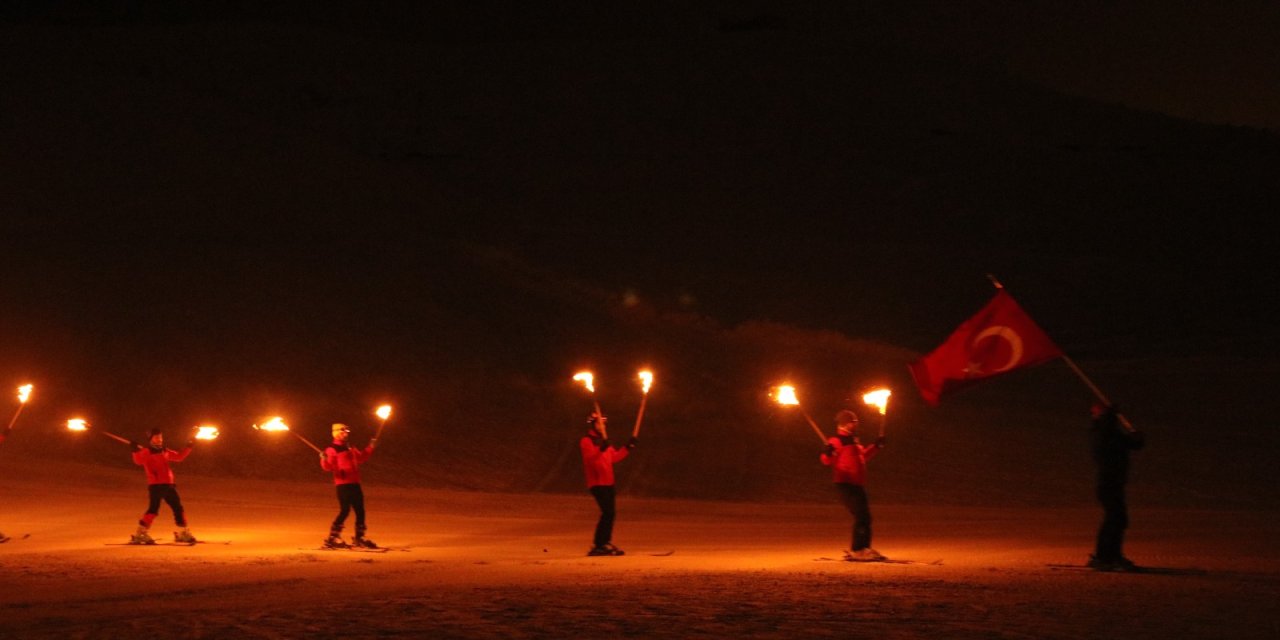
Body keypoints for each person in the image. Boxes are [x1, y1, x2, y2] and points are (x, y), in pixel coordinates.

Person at [821, 410, 885, 561]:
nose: (856, 424)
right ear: (845, 424)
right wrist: (827, 453)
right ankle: (857, 550)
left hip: (857, 484)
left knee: (866, 517)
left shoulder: (853, 440)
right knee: (861, 516)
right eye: (853, 422)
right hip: (845, 484)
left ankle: (864, 548)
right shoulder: (837, 440)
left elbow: (863, 457)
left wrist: (876, 446)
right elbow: (826, 460)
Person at [1087, 402, 1145, 571]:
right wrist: (1111, 415)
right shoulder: (1101, 434)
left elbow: (1133, 445)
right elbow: (1119, 440)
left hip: (1113, 483)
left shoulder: (1108, 433)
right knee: (1115, 519)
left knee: (1117, 519)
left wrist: (1137, 438)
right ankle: (1105, 557)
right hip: (1108, 483)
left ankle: (1109, 556)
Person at [580, 412, 636, 556]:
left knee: (610, 513)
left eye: (603, 424)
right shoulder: (586, 441)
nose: (602, 426)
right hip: (597, 483)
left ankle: (604, 542)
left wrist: (627, 447)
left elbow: (614, 457)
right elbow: (590, 459)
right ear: (593, 425)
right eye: (599, 423)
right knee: (607, 512)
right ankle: (599, 544)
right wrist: (601, 449)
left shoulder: (604, 441)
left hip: (608, 482)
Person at [130, 428, 196, 544]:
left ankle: (183, 532)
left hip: (168, 484)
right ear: (151, 439)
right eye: (156, 437)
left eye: (160, 437)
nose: (159, 439)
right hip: (156, 485)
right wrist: (134, 450)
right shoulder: (147, 451)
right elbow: (138, 461)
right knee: (153, 509)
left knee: (178, 508)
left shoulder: (164, 451)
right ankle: (141, 533)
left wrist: (189, 446)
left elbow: (179, 457)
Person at [320, 423, 377, 548]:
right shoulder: (332, 449)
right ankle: (333, 537)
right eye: (343, 432)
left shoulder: (350, 447)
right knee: (345, 510)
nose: (345, 434)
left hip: (355, 483)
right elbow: (328, 467)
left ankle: (359, 537)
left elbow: (361, 458)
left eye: (346, 432)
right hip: (343, 484)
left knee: (360, 510)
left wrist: (370, 447)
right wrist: (324, 459)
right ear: (336, 433)